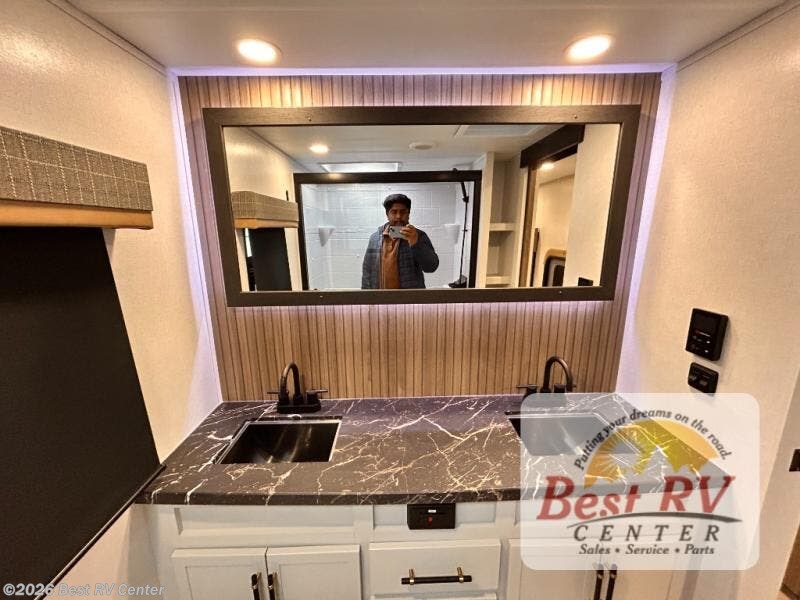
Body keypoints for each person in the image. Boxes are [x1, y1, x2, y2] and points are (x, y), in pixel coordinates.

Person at [361, 193, 439, 289]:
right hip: (380, 296)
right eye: (394, 212)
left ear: (408, 214)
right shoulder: (375, 238)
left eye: (403, 212)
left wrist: (415, 243)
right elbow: (367, 271)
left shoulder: (418, 235)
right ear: (387, 215)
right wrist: (366, 296)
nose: (398, 216)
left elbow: (431, 267)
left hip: (409, 297)